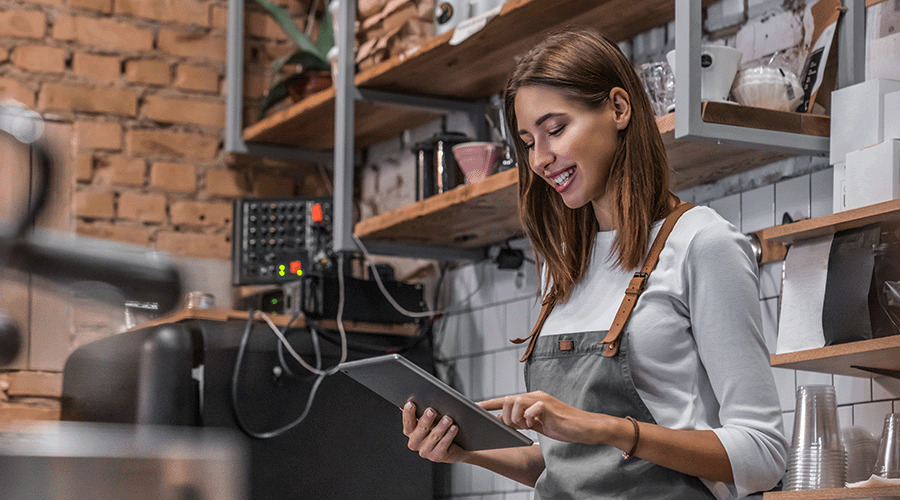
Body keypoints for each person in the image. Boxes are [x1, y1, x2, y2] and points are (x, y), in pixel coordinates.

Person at [402, 27, 788, 499]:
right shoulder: (562, 268)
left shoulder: (702, 243)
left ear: (619, 109)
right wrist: (464, 450)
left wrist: (611, 429)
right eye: (527, 141)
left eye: (555, 129)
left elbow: (764, 455)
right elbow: (570, 467)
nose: (540, 159)